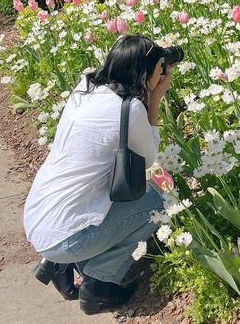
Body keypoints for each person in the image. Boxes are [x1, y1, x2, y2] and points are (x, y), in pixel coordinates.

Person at [23, 34, 174, 315]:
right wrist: (154, 99)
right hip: (65, 235)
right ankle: (98, 284)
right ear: (144, 72)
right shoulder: (129, 109)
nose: (162, 72)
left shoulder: (85, 89)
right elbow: (148, 158)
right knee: (159, 203)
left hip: (38, 216)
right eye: (159, 67)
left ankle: (58, 262)